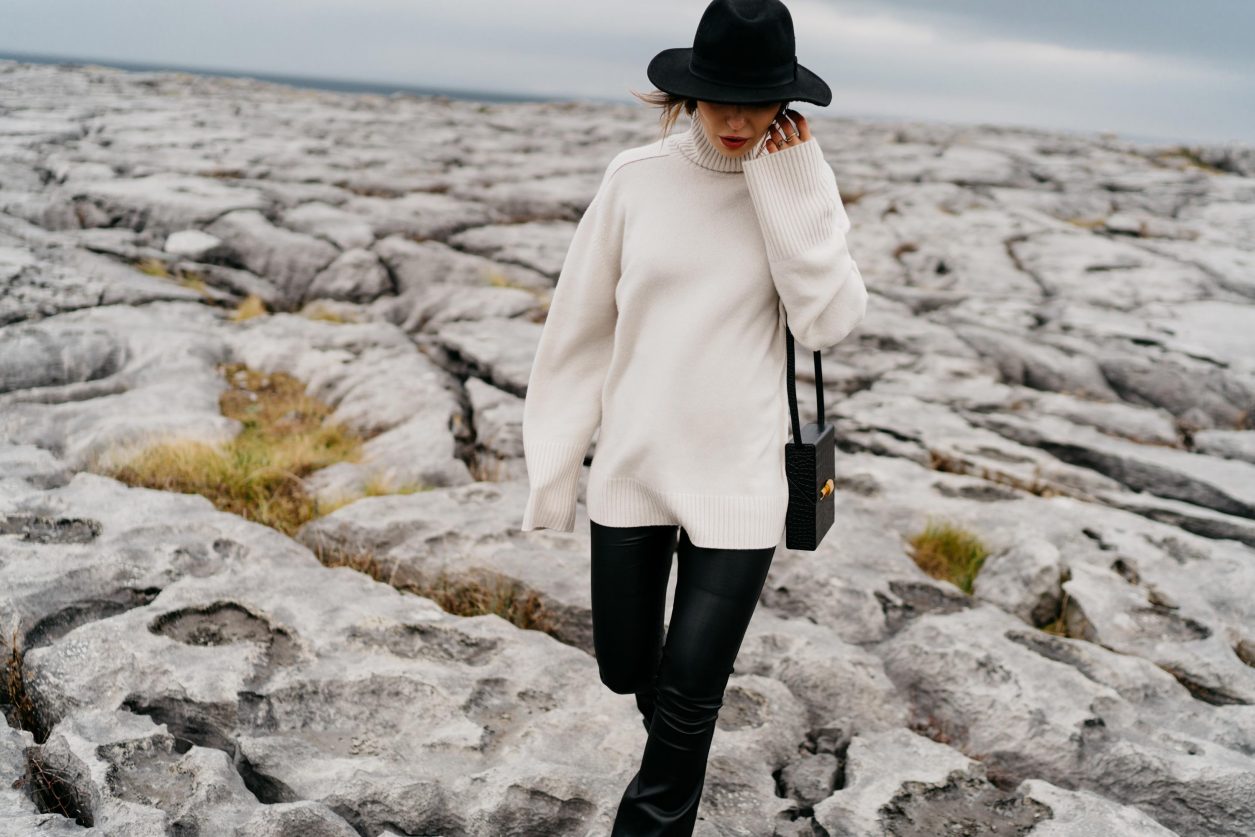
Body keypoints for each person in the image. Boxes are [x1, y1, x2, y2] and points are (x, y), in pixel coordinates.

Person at [519, 0, 868, 833]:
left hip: (739, 480)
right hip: (636, 468)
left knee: (687, 696)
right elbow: (575, 333)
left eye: (757, 100)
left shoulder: (795, 185)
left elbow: (829, 323)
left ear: (786, 100)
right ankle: (672, 765)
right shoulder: (634, 179)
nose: (739, 119)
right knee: (627, 668)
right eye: (720, 97)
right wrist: (552, 472)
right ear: (686, 93)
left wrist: (792, 193)